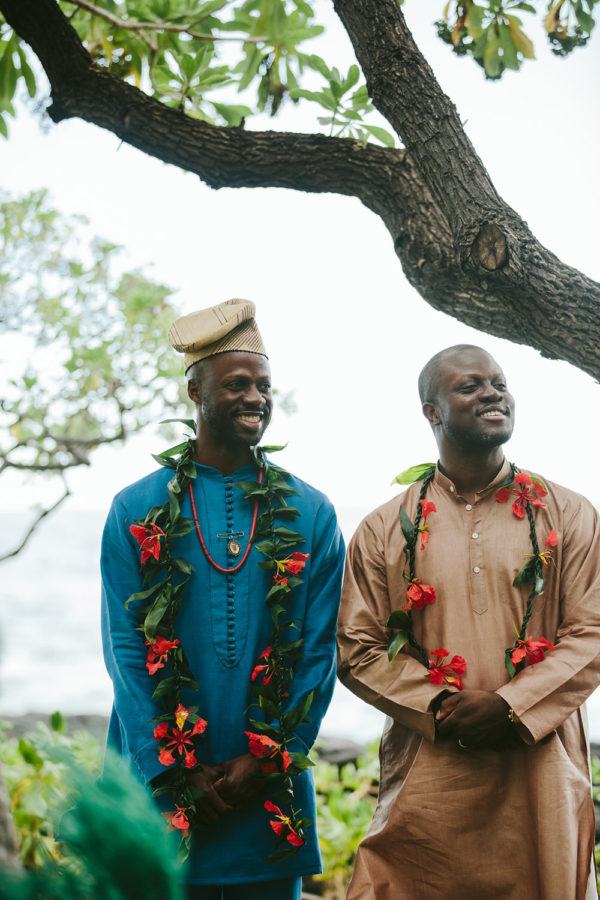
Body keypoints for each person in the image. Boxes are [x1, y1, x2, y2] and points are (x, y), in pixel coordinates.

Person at [101, 299, 345, 900]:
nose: (256, 398)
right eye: (236, 384)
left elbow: (319, 650)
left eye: (264, 386)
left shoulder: (312, 512)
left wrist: (271, 757)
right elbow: (125, 652)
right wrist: (170, 767)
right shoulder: (135, 509)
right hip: (161, 780)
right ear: (195, 390)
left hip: (266, 785)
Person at [337, 344, 600, 900]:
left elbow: (592, 632)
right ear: (432, 412)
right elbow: (358, 648)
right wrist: (438, 706)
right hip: (431, 772)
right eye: (470, 386)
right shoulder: (386, 528)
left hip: (539, 770)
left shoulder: (569, 512)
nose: (492, 393)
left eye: (499, 383)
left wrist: (510, 705)